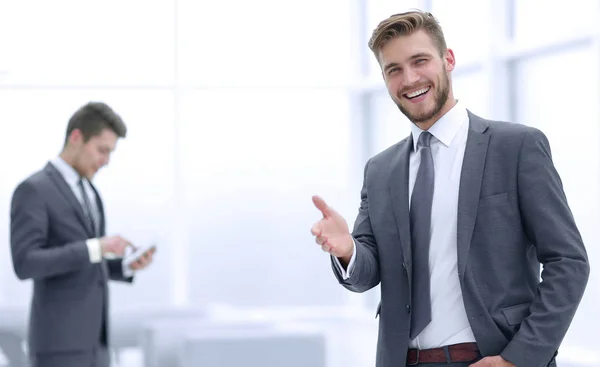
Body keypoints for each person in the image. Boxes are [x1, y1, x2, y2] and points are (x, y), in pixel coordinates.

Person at [310, 10, 590, 367]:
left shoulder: (515, 147)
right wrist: (348, 248)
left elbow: (568, 261)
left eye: (419, 61)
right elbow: (369, 272)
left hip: (490, 357)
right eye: (393, 69)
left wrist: (519, 358)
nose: (409, 79)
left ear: (448, 60)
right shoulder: (380, 170)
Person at [10, 101, 156, 367]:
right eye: (102, 150)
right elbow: (25, 262)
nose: (106, 161)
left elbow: (85, 262)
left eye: (110, 153)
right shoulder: (34, 190)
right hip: (57, 349)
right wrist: (97, 247)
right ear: (76, 137)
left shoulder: (90, 192)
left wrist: (124, 265)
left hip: (96, 348)